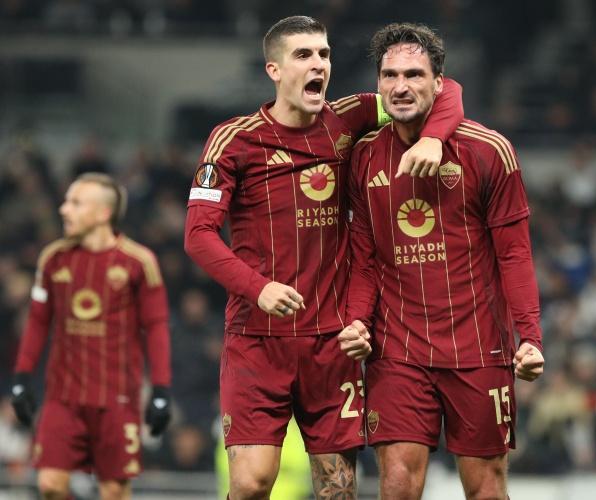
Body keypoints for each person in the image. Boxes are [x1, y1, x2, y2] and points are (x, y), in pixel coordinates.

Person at [183, 15, 463, 499]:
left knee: (339, 490)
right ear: (274, 70)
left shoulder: (349, 116)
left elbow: (446, 90)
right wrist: (258, 288)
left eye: (324, 54)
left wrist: (435, 137)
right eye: (304, 55)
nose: (319, 64)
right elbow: (198, 236)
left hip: (331, 343)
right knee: (250, 483)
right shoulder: (234, 139)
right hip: (257, 340)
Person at [339, 22, 544, 500]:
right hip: (398, 350)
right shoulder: (364, 157)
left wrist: (530, 337)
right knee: (396, 484)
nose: (400, 86)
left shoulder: (488, 151)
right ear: (378, 84)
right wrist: (356, 321)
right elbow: (364, 259)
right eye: (390, 75)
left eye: (414, 74)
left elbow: (514, 253)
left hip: (479, 347)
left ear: (439, 84)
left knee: (486, 488)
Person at [10, 172, 172, 500]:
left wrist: (161, 389)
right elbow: (38, 322)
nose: (64, 209)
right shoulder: (53, 258)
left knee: (113, 491)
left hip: (117, 398)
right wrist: (22, 377)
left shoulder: (138, 262)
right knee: (50, 485)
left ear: (103, 213)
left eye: (75, 203)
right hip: (62, 397)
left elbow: (156, 327)